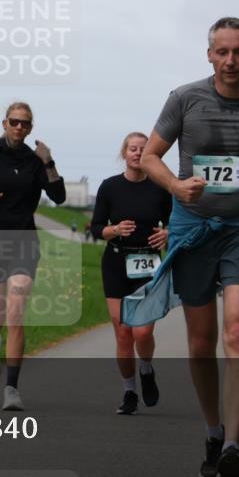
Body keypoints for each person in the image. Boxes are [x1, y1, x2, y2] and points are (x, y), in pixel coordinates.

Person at [138, 17, 239, 477]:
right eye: (222, 52)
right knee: (200, 341)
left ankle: (233, 447)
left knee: (237, 332)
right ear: (209, 55)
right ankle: (213, 431)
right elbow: (150, 156)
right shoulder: (184, 99)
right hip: (192, 227)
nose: (230, 60)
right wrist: (175, 186)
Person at [0, 102, 66, 411]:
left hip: (24, 242)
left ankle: (11, 388)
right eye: (14, 121)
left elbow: (59, 196)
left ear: (31, 128)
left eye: (25, 123)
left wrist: (48, 161)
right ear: (4, 123)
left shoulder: (35, 162)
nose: (19, 127)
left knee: (16, 313)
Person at [91, 132, 172, 415]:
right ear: (124, 153)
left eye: (142, 149)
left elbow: (175, 223)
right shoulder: (110, 187)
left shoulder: (160, 187)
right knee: (124, 333)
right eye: (132, 149)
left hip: (148, 265)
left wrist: (167, 233)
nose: (137, 153)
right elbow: (96, 227)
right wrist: (113, 230)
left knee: (143, 331)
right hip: (116, 263)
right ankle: (129, 391)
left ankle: (146, 368)